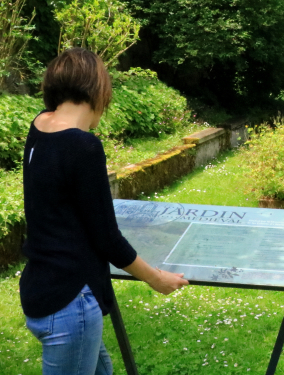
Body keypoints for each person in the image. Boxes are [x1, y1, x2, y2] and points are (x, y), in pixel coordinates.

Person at [20, 48, 188, 374]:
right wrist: (157, 279)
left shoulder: (39, 126)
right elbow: (108, 238)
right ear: (98, 91)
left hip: (39, 288)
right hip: (70, 303)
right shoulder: (83, 146)